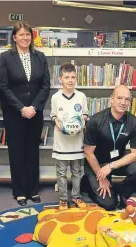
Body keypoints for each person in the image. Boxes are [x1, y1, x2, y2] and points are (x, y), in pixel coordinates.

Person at [0, 21, 50, 206]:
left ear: (32, 37)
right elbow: (3, 87)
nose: (25, 38)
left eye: (28, 35)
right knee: (17, 152)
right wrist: (21, 108)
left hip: (35, 113)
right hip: (14, 114)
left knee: (32, 151)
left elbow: (45, 85)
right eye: (21, 35)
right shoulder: (5, 58)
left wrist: (34, 107)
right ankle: (19, 191)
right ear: (14, 37)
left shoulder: (40, 57)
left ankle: (33, 189)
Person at [82, 85, 136, 211]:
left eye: (127, 99)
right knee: (109, 204)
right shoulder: (96, 120)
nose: (123, 102)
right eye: (119, 98)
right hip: (96, 163)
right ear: (111, 99)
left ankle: (120, 190)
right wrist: (102, 177)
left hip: (116, 162)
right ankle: (87, 185)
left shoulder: (133, 122)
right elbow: (88, 153)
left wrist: (110, 166)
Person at [50, 63, 88, 210]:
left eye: (73, 77)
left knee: (77, 171)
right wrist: (57, 123)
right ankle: (63, 199)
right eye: (67, 77)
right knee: (61, 173)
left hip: (77, 142)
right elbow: (53, 116)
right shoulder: (55, 97)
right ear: (61, 79)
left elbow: (84, 114)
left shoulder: (81, 96)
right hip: (61, 142)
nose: (70, 80)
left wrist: (82, 122)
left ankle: (76, 197)